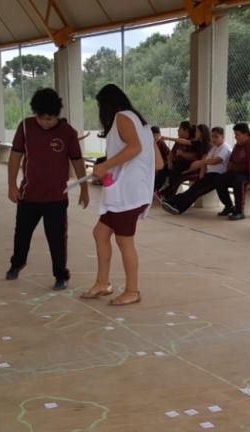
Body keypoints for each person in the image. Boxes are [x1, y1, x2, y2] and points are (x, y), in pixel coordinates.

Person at [79, 84, 161, 307]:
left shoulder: (121, 118)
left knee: (125, 242)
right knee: (100, 233)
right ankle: (103, 283)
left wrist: (106, 166)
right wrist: (116, 172)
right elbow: (159, 163)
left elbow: (134, 148)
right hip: (127, 192)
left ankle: (133, 291)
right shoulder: (141, 123)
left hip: (128, 195)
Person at [6, 88, 88, 291]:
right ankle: (17, 263)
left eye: (50, 119)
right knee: (22, 234)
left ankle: (61, 275)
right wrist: (11, 185)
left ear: (57, 115)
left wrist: (84, 188)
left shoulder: (68, 133)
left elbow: (77, 162)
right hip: (28, 196)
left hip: (56, 199)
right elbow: (15, 156)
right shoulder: (25, 127)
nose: (45, 123)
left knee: (57, 238)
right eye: (41, 118)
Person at [160, 126, 231, 215]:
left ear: (223, 137)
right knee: (194, 190)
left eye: (216, 137)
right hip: (210, 174)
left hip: (218, 175)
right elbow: (206, 159)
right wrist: (202, 169)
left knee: (196, 191)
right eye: (212, 136)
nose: (213, 139)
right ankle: (173, 202)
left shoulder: (224, 147)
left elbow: (217, 160)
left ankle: (175, 204)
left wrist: (200, 162)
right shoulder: (214, 147)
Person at [215, 122, 250, 221]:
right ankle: (229, 206)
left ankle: (239, 211)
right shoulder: (238, 146)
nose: (235, 137)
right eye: (235, 134)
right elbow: (231, 161)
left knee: (238, 181)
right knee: (219, 179)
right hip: (240, 172)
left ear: (245, 134)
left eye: (237, 134)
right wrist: (227, 174)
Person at [159, 121, 197, 198]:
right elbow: (171, 153)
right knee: (163, 169)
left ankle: (168, 196)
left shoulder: (194, 141)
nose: (177, 130)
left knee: (176, 172)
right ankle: (155, 191)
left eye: (179, 128)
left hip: (187, 166)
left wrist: (167, 138)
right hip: (177, 164)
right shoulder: (179, 140)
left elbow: (193, 155)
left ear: (186, 131)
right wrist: (169, 162)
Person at [152, 126, 171, 194]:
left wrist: (169, 165)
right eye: (154, 135)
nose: (156, 137)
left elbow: (169, 154)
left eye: (157, 135)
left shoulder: (161, 143)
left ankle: (155, 190)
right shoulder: (152, 144)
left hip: (162, 165)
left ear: (160, 135)